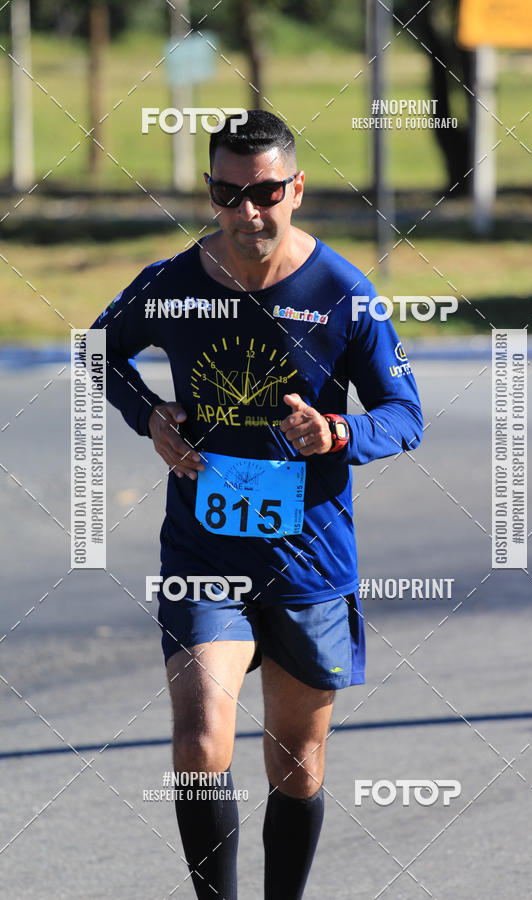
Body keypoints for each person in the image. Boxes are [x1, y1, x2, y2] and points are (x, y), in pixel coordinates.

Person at [91, 109, 422, 899]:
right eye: (227, 194)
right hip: (203, 553)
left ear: (296, 190)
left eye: (265, 192)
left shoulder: (343, 292)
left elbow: (405, 414)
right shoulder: (173, 283)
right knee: (201, 738)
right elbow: (98, 349)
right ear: (210, 195)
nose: (247, 212)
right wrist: (149, 416)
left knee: (296, 765)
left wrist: (337, 432)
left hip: (308, 556)